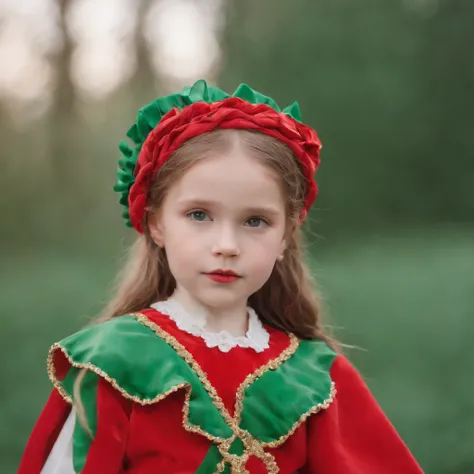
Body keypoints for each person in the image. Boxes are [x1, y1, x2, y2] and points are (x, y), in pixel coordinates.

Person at [18, 80, 424, 474]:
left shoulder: (317, 377)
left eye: (255, 221)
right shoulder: (111, 362)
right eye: (199, 215)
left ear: (286, 234)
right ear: (156, 222)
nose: (227, 244)